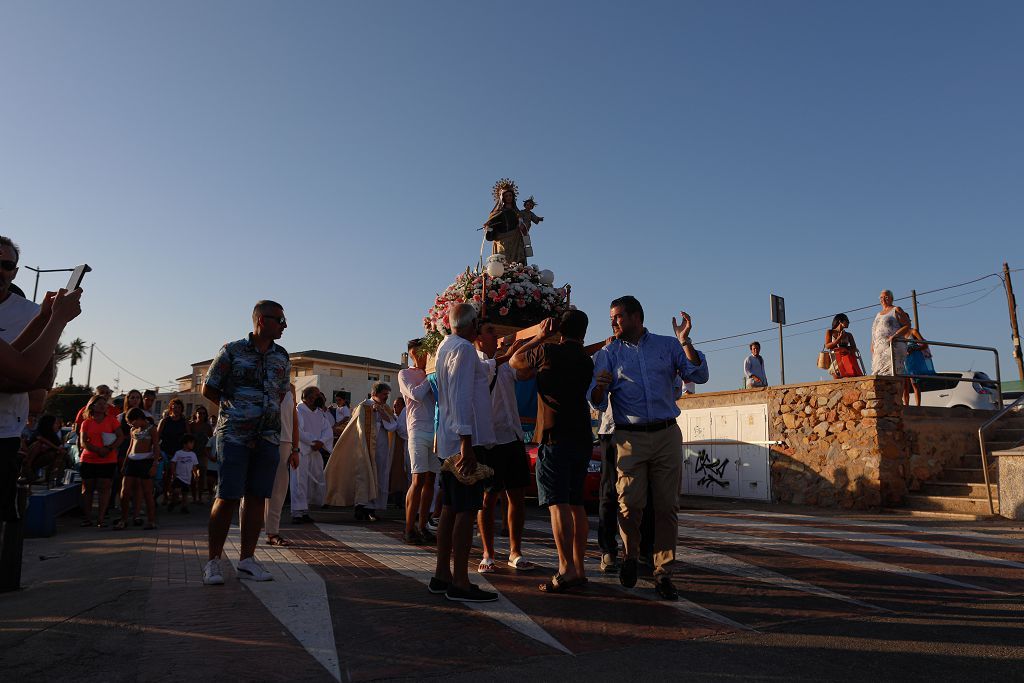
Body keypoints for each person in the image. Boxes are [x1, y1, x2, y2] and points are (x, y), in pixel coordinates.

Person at [589, 296, 709, 601]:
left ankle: (663, 572)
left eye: (617, 317)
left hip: (667, 433)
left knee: (667, 507)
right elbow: (596, 399)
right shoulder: (608, 353)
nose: (612, 323)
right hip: (629, 438)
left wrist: (686, 340)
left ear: (635, 317)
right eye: (611, 317)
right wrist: (600, 388)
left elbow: (699, 375)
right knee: (629, 504)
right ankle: (630, 556)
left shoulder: (669, 346)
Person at [201, 300, 291, 586]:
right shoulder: (232, 350)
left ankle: (247, 560)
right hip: (235, 436)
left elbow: (279, 393)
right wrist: (237, 413)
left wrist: (264, 420)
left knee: (256, 498)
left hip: (267, 438)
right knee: (227, 497)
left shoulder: (282, 356)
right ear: (262, 321)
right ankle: (214, 561)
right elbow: (209, 388)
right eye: (280, 320)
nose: (285, 325)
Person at [510, 310, 596, 593]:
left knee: (557, 503)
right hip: (582, 434)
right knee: (577, 503)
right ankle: (580, 568)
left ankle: (565, 568)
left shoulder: (547, 351)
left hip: (554, 434)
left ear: (558, 329)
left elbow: (515, 361)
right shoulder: (585, 360)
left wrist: (539, 336)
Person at [430, 303, 498, 602]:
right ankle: (459, 580)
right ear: (472, 326)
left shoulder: (446, 345)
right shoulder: (465, 349)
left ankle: (442, 574)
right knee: (465, 510)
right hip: (463, 442)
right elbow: (460, 396)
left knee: (448, 508)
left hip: (450, 439)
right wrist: (466, 443)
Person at [475, 323, 533, 574]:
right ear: (478, 338)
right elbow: (491, 371)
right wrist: (514, 350)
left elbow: (526, 373)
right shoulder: (476, 364)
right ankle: (488, 553)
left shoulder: (507, 363)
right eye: (490, 331)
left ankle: (515, 551)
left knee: (517, 497)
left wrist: (527, 350)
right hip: (490, 441)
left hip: (513, 436)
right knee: (487, 500)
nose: (496, 337)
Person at [399, 339, 439, 545]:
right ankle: (408, 528)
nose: (422, 356)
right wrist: (431, 376)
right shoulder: (405, 374)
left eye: (425, 352)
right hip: (417, 430)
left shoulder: (433, 372)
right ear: (412, 354)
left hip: (434, 431)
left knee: (431, 480)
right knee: (418, 480)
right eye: (418, 353)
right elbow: (417, 394)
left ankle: (423, 526)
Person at [78, 394, 126, 528]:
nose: (103, 406)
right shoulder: (86, 422)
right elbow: (83, 441)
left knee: (104, 488)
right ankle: (87, 518)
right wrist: (97, 450)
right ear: (92, 406)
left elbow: (120, 437)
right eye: (99, 403)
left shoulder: (112, 420)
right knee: (87, 489)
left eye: (104, 404)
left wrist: (109, 448)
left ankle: (101, 518)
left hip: (108, 459)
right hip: (89, 459)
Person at [357, 383, 398, 521]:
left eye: (387, 394)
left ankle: (373, 508)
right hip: (366, 446)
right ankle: (361, 507)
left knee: (380, 475)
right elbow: (358, 427)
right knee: (366, 474)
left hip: (381, 447)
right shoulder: (364, 405)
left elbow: (393, 426)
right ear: (375, 393)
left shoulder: (385, 407)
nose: (387, 397)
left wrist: (381, 413)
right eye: (384, 394)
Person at [265, 384, 299, 546]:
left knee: (278, 490)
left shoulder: (291, 388)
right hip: (261, 440)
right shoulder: (261, 380)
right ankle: (247, 530)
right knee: (252, 489)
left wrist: (296, 449)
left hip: (284, 441)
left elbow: (294, 419)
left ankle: (273, 532)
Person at [115, 407, 159, 530]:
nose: (130, 424)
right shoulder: (133, 430)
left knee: (147, 492)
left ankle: (151, 521)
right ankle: (123, 520)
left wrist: (155, 464)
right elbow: (130, 447)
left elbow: (156, 447)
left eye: (131, 421)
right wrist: (125, 463)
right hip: (132, 461)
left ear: (139, 418)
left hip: (146, 461)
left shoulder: (152, 429)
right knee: (125, 491)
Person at [293, 386, 331, 524]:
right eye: (317, 395)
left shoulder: (320, 413)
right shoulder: (298, 411)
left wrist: (321, 441)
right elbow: (297, 430)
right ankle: (297, 512)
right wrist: (312, 441)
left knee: (311, 482)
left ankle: (305, 511)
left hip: (315, 451)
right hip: (302, 451)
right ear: (309, 397)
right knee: (299, 481)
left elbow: (327, 430)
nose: (319, 397)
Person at [483, 179, 527, 266]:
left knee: (517, 262)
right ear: (502, 197)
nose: (509, 197)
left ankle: (517, 274)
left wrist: (522, 226)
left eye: (510, 195)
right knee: (503, 262)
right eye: (506, 196)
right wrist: (489, 227)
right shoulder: (498, 212)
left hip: (515, 239)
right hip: (501, 240)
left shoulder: (517, 212)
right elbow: (491, 225)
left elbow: (523, 224)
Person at [871, 289, 911, 377]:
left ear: (891, 298)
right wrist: (872, 344)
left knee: (893, 373)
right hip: (879, 350)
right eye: (881, 297)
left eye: (886, 297)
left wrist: (895, 336)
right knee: (879, 374)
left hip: (893, 347)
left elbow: (907, 325)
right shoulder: (878, 314)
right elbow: (875, 330)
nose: (883, 299)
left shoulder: (896, 309)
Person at [157, 399, 188, 503]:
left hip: (179, 452)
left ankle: (175, 496)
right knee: (166, 475)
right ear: (171, 408)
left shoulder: (184, 422)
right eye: (175, 407)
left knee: (177, 476)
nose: (177, 409)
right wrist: (156, 451)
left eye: (179, 407)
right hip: (165, 451)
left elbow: (188, 437)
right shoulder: (164, 421)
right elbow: (156, 437)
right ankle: (165, 495)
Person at [20, 414, 65, 484]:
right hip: (31, 457)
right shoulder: (39, 432)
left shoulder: (54, 436)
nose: (57, 425)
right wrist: (56, 448)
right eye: (55, 423)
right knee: (37, 444)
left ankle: (52, 476)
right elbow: (41, 439)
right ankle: (27, 468)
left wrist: (59, 449)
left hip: (42, 460)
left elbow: (60, 448)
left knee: (59, 455)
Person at [904, 328, 936, 406]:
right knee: (905, 385)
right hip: (904, 359)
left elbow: (925, 344)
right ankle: (906, 405)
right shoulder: (899, 332)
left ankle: (918, 406)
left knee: (914, 383)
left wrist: (914, 348)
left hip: (914, 360)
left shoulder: (913, 331)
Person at [167, 434, 198, 514]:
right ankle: (173, 502)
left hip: (187, 477)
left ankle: (184, 507)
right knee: (176, 491)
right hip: (179, 476)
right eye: (191, 443)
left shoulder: (193, 454)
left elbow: (194, 466)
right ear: (185, 444)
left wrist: (196, 475)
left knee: (185, 493)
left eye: (193, 443)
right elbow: (173, 462)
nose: (192, 445)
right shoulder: (178, 453)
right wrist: (173, 472)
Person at [824, 314, 863, 378]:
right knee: (837, 377)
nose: (848, 322)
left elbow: (854, 347)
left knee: (849, 377)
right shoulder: (830, 332)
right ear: (840, 321)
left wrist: (846, 349)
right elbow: (827, 346)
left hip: (846, 358)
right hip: (836, 360)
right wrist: (838, 339)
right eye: (847, 321)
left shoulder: (849, 335)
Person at [189, 406, 214, 503]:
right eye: (199, 413)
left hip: (203, 454)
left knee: (201, 477)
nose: (201, 415)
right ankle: (194, 497)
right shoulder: (191, 425)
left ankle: (199, 497)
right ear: (196, 414)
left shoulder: (207, 426)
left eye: (203, 413)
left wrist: (209, 452)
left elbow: (211, 439)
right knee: (192, 477)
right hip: (192, 453)